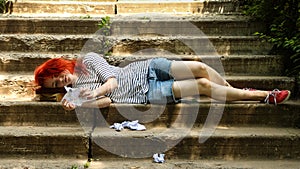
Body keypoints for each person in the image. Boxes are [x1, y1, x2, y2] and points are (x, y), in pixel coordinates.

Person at [34, 52, 291, 111]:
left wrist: (92, 92)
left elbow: (111, 82)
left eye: (55, 75)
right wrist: (81, 104)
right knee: (202, 87)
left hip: (147, 68)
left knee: (200, 67)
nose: (59, 80)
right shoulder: (76, 95)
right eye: (55, 85)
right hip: (149, 92)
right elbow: (109, 100)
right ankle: (264, 95)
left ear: (60, 66)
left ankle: (234, 91)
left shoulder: (88, 59)